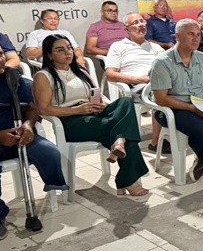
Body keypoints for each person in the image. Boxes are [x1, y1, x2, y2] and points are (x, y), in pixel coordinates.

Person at [33, 35, 149, 197]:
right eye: (60, 50)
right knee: (124, 130)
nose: (68, 52)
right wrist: (77, 110)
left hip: (92, 112)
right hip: (71, 120)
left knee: (125, 101)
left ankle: (119, 142)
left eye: (69, 48)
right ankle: (124, 161)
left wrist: (102, 104)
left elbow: (97, 95)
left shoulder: (80, 71)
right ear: (49, 55)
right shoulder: (43, 76)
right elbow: (44, 109)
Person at [0, 41, 69, 241]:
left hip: (17, 134)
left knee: (49, 152)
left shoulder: (11, 77)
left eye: (0, 53)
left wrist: (27, 125)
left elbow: (32, 107)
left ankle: (54, 184)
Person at [150, 19, 203, 183]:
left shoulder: (202, 58)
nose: (196, 38)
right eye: (191, 34)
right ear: (177, 36)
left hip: (199, 103)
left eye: (198, 34)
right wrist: (192, 109)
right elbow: (161, 99)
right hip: (172, 108)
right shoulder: (162, 62)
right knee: (199, 128)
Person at [105, 12, 166, 153]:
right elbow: (110, 74)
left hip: (158, 82)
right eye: (136, 23)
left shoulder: (154, 47)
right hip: (137, 86)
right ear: (126, 29)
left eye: (142, 21)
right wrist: (138, 79)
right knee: (161, 94)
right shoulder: (118, 46)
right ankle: (156, 142)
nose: (141, 25)